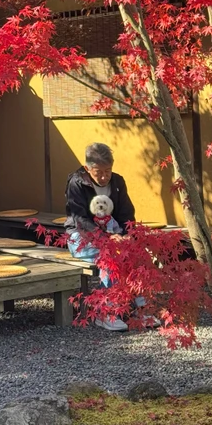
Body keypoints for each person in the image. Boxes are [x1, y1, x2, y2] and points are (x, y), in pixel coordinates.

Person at [65, 142, 159, 332]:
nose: (104, 176)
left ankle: (142, 309)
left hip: (114, 233)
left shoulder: (117, 182)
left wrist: (125, 235)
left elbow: (126, 214)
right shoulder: (76, 183)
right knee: (110, 257)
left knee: (136, 254)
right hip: (81, 237)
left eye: (108, 171)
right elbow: (80, 219)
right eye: (98, 172)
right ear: (87, 169)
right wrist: (106, 238)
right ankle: (106, 312)